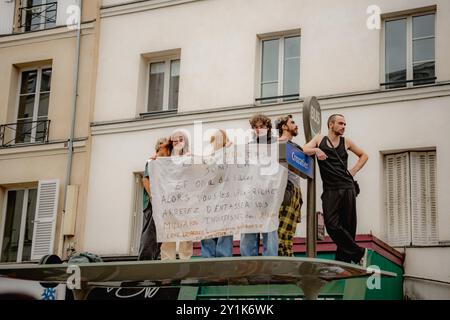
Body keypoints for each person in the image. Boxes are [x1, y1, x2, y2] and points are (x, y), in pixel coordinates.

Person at [303, 114, 369, 265]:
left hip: (347, 187)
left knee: (348, 228)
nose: (343, 126)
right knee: (332, 225)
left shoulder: (346, 142)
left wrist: (353, 170)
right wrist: (316, 151)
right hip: (330, 189)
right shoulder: (320, 139)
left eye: (345, 124)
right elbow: (305, 148)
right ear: (331, 124)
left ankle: (343, 263)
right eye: (340, 123)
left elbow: (364, 155)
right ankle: (359, 253)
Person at [240, 114, 278, 256]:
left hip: (269, 194)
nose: (258, 129)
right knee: (248, 231)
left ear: (268, 127)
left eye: (261, 126)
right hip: (250, 194)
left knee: (270, 231)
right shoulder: (248, 147)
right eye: (255, 127)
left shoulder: (277, 144)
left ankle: (271, 266)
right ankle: (248, 266)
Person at [160, 130, 194, 260]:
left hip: (186, 202)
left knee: (187, 234)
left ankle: (185, 262)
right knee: (169, 234)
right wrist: (154, 161)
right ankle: (167, 264)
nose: (178, 142)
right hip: (169, 201)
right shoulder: (165, 158)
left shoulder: (191, 157)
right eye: (175, 140)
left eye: (181, 139)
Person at [138, 137, 173, 260]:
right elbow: (145, 179)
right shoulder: (152, 162)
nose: (166, 153)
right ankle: (144, 262)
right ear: (158, 148)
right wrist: (153, 197)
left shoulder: (166, 164)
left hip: (162, 205)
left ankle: (153, 261)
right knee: (150, 233)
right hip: (153, 205)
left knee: (159, 235)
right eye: (163, 151)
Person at [201, 130, 234, 258]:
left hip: (226, 201)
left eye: (221, 138)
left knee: (224, 233)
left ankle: (223, 264)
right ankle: (207, 264)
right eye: (216, 138)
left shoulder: (232, 155)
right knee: (208, 234)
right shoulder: (206, 159)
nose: (218, 141)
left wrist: (232, 150)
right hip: (209, 201)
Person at [275, 115, 303, 256]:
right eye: (292, 123)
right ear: (284, 127)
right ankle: (281, 264)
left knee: (289, 233)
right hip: (286, 190)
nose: (296, 125)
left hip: (295, 190)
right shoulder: (279, 143)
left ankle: (287, 260)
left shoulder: (293, 145)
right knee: (282, 231)